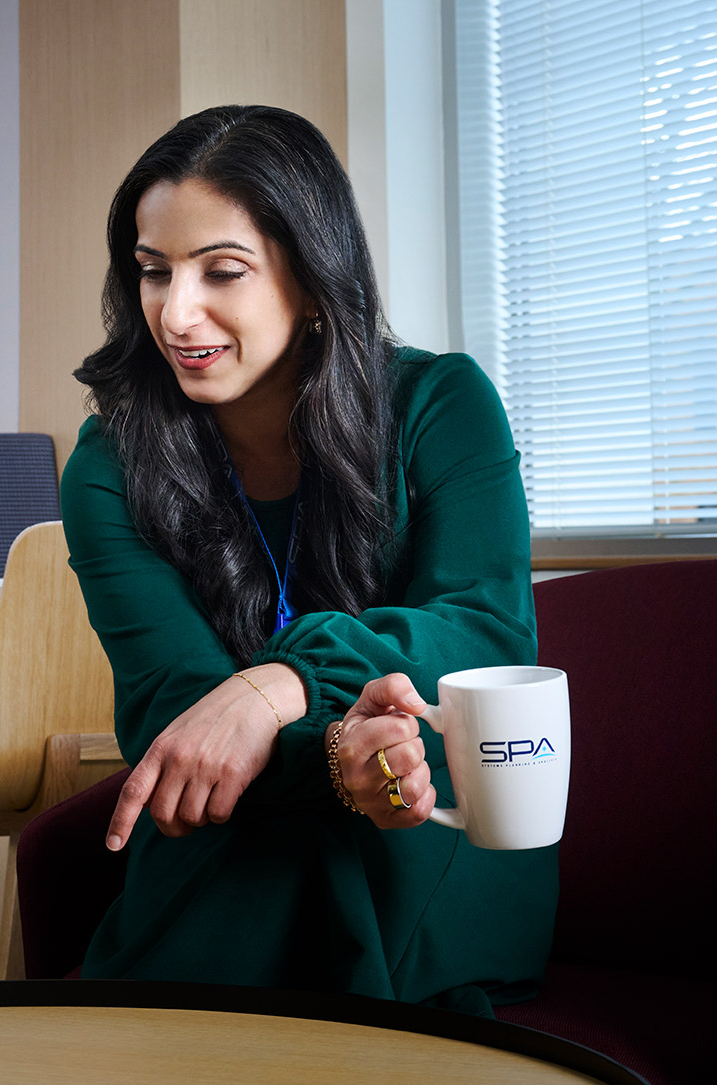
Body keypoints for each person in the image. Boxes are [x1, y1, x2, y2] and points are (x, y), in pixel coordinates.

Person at [61, 104, 554, 1013]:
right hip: (239, 825)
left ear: (316, 280)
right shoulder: (110, 467)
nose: (176, 312)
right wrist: (332, 750)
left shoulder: (444, 404)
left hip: (429, 815)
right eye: (153, 271)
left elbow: (485, 636)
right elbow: (178, 712)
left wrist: (283, 682)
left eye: (223, 271)